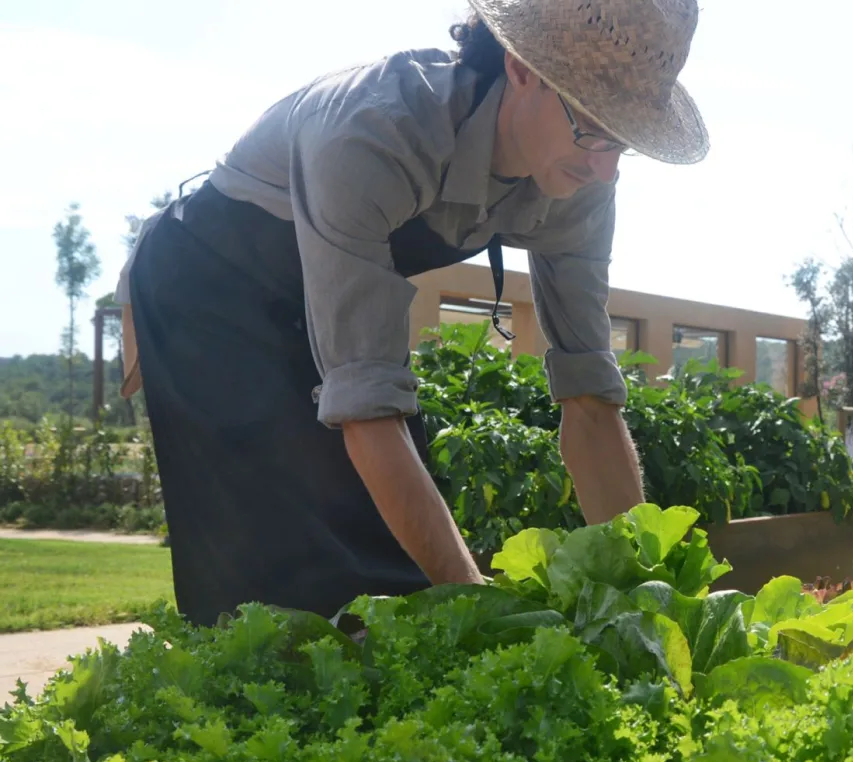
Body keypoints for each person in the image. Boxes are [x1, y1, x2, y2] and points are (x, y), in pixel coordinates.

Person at [113, 0, 709, 626]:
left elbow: (590, 402)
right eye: (591, 127)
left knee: (394, 580)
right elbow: (367, 409)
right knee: (275, 589)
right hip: (207, 294)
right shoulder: (375, 130)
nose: (604, 166)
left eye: (626, 141)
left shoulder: (582, 182)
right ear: (524, 69)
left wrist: (644, 600)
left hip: (318, 303)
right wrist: (479, 612)